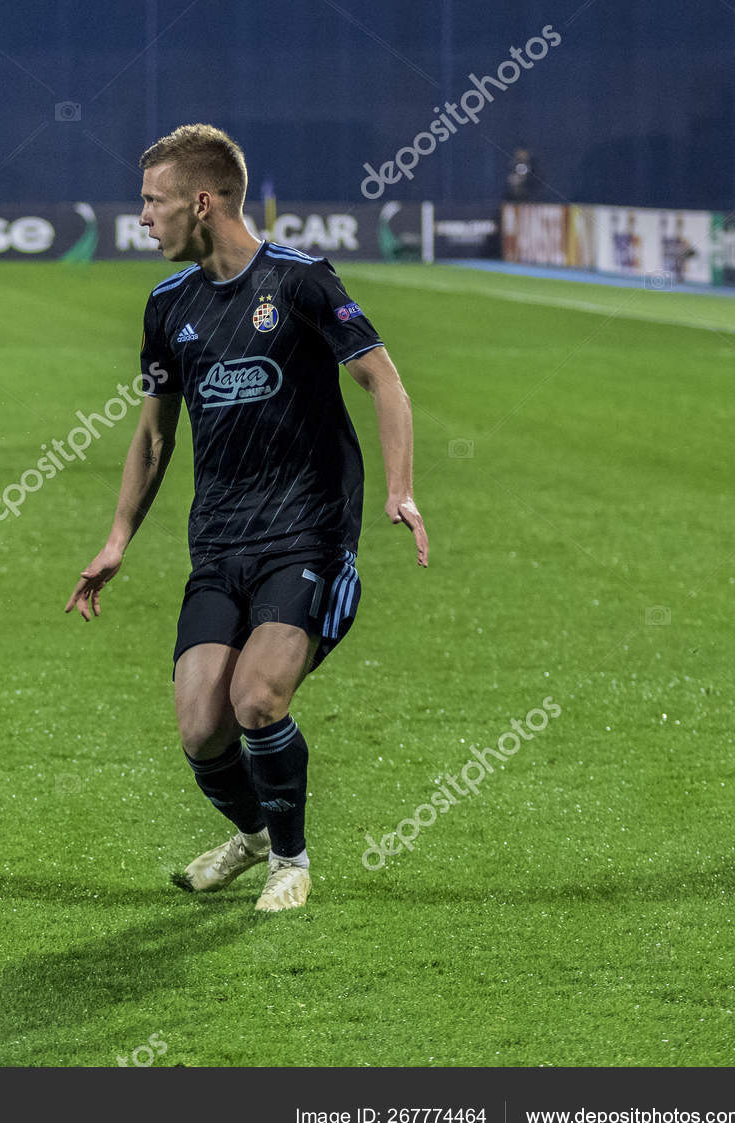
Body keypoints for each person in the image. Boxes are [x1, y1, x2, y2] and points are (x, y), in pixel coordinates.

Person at [65, 124, 429, 912]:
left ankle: (290, 860)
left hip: (309, 538)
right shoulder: (167, 307)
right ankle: (257, 832)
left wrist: (400, 490)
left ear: (202, 202)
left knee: (257, 700)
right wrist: (117, 539)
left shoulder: (300, 282)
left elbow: (384, 382)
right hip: (220, 544)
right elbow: (156, 433)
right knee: (201, 729)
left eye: (153, 203)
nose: (143, 220)